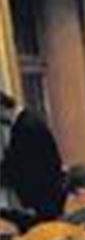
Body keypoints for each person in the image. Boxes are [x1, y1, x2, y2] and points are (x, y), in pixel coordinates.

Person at [0, 91, 64, 220]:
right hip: (48, 194)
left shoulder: (25, 127)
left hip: (43, 197)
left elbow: (20, 166)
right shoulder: (29, 120)